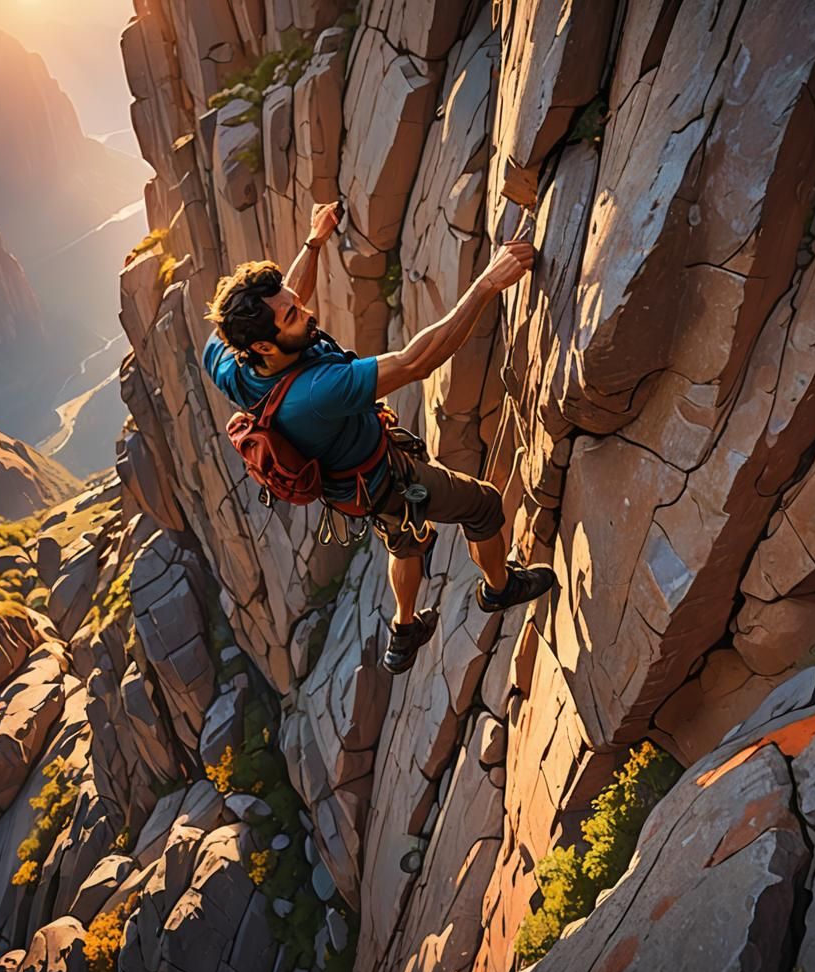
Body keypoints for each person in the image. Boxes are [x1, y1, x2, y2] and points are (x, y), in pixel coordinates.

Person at [202, 201, 555, 673]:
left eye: (294, 304)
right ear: (265, 346)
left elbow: (287, 299)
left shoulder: (233, 363)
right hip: (389, 475)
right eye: (292, 317)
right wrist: (488, 283)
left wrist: (314, 240)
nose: (305, 313)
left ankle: (404, 630)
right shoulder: (318, 393)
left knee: (404, 542)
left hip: (356, 490)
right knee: (484, 505)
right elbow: (416, 361)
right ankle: (499, 588)